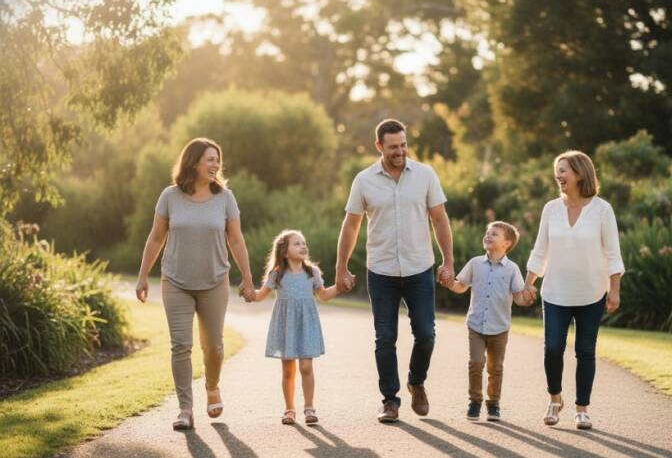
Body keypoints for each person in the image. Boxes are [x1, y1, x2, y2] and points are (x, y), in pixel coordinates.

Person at [335, 118, 454, 423]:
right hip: (382, 271)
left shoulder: (425, 175)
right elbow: (351, 226)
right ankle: (390, 400)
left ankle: (417, 381)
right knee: (385, 338)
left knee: (426, 333)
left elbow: (440, 219)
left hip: (419, 268)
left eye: (403, 145)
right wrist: (341, 267)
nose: (400, 151)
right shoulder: (364, 180)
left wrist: (448, 261)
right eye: (393, 147)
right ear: (379, 146)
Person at [135, 137, 256, 431]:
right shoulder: (170, 196)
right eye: (210, 159)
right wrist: (142, 275)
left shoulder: (225, 198)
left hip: (214, 281)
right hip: (176, 280)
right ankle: (185, 409)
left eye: (218, 160)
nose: (216, 164)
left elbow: (236, 239)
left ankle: (212, 386)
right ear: (193, 162)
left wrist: (248, 278)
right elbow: (156, 237)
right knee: (180, 345)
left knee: (214, 346)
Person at [522, 150, 624, 430]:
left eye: (563, 170)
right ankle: (555, 400)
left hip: (591, 293)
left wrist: (614, 290)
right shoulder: (551, 209)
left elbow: (613, 253)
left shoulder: (602, 210)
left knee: (585, 351)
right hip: (555, 292)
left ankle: (582, 409)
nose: (558, 175)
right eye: (557, 170)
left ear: (580, 173)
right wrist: (528, 284)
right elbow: (540, 250)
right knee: (553, 349)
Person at [251, 230, 338, 425]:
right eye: (297, 244)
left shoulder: (312, 272)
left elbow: (324, 295)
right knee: (288, 371)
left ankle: (309, 408)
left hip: (307, 324)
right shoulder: (277, 274)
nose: (303, 246)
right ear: (284, 252)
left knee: (306, 366)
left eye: (304, 243)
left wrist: (340, 286)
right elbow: (260, 295)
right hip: (286, 326)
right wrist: (249, 293)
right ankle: (289, 409)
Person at [445, 221, 528, 422]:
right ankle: (474, 401)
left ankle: (493, 404)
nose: (488, 236)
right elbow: (461, 286)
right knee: (476, 363)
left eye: (494, 234)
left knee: (495, 367)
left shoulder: (512, 269)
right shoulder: (475, 263)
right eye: (488, 232)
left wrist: (526, 299)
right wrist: (449, 283)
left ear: (507, 243)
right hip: (476, 325)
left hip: (499, 327)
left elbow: (518, 297)